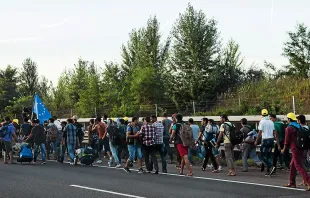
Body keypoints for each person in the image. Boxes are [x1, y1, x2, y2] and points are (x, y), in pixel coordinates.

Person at [282, 113, 310, 191]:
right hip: (301, 147)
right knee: (292, 165)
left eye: (287, 119)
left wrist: (284, 149)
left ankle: (309, 181)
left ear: (289, 119)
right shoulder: (299, 126)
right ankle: (292, 183)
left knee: (298, 166)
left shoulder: (289, 128)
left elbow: (286, 141)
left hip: (295, 148)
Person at [255, 109, 277, 176]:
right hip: (271, 140)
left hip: (265, 140)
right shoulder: (271, 122)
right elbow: (274, 132)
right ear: (268, 114)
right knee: (268, 155)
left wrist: (256, 140)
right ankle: (269, 171)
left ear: (262, 114)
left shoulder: (262, 121)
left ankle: (271, 166)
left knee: (262, 156)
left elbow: (260, 132)